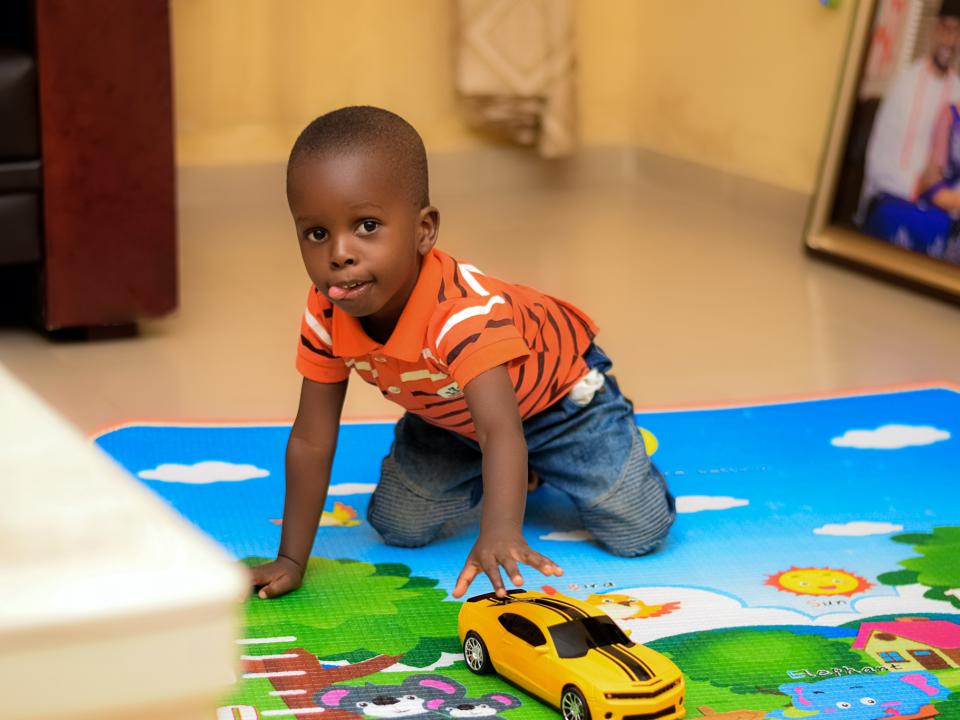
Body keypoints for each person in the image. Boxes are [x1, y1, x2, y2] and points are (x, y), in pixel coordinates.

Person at [250, 106, 676, 601]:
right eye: (317, 233)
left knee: (638, 532)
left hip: (561, 403)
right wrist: (291, 559)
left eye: (367, 225)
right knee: (397, 525)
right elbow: (310, 438)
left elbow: (502, 429)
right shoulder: (326, 310)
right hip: (454, 418)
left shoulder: (462, 314)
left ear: (424, 230)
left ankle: (606, 446)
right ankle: (514, 470)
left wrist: (499, 532)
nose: (339, 253)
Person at [861, 0, 960, 231]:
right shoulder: (905, 83)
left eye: (958, 32)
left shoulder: (957, 91)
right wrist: (918, 186)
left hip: (943, 207)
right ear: (934, 30)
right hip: (895, 196)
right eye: (946, 29)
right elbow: (878, 165)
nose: (950, 40)